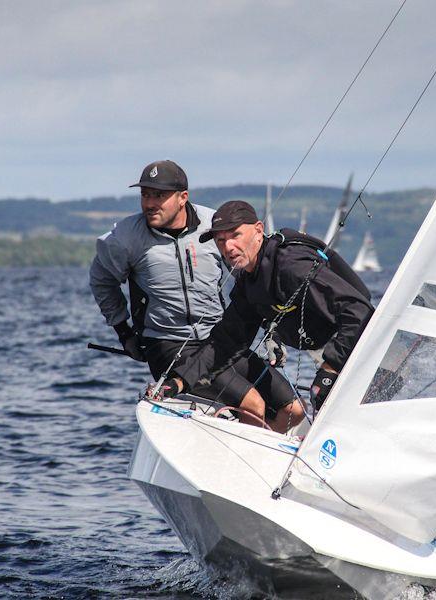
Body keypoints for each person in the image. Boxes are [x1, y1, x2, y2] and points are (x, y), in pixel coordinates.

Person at [89, 161, 301, 432]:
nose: (150, 203)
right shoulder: (125, 238)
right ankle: (236, 467)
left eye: (159, 196)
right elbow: (101, 280)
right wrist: (124, 333)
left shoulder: (216, 227)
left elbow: (251, 277)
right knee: (253, 405)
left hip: (219, 342)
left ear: (182, 198)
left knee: (291, 409)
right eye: (145, 195)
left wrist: (275, 331)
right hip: (168, 345)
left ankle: (262, 464)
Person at [170, 200, 374, 413]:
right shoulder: (249, 282)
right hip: (329, 346)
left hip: (365, 338)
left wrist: (331, 367)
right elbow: (227, 341)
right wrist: (181, 381)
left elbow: (358, 311)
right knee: (322, 401)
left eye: (235, 235)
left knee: (330, 400)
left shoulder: (291, 266)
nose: (228, 247)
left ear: (259, 230)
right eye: (220, 240)